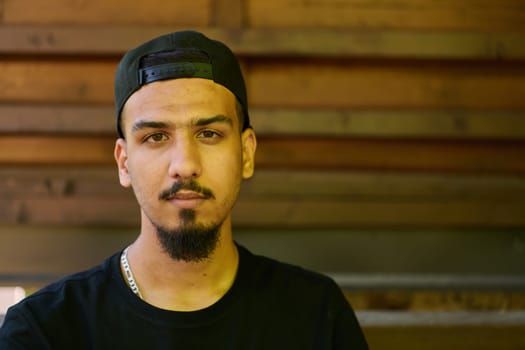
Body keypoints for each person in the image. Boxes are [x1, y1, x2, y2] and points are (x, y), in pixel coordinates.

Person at [0, 30, 368, 349]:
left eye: (208, 134)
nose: (185, 165)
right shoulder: (44, 330)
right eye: (156, 137)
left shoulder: (315, 313)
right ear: (124, 162)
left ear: (246, 153)